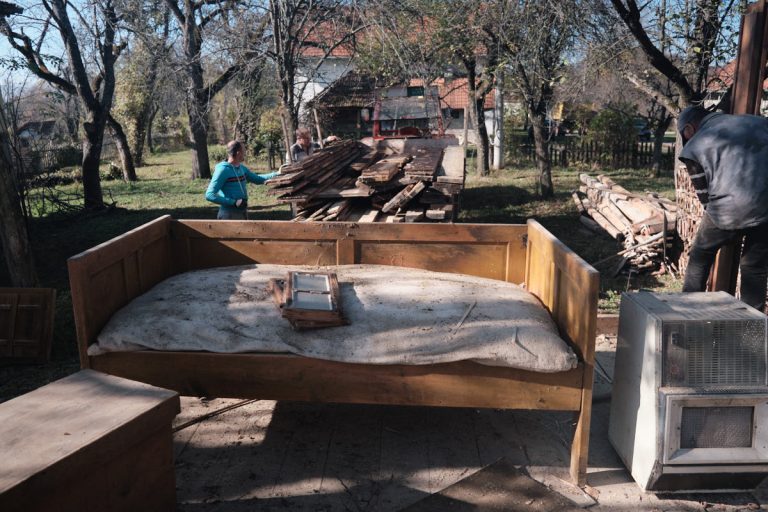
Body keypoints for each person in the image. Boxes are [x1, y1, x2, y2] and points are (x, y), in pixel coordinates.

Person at [677, 105, 768, 311]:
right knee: (754, 266)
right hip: (766, 209)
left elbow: (702, 191)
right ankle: (753, 327)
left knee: (700, 256)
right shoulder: (760, 123)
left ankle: (688, 310)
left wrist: (719, 215)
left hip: (727, 208)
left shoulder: (697, 142)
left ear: (689, 129)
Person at [205, 140, 279, 220]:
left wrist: (277, 173)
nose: (245, 153)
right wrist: (234, 202)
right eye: (244, 150)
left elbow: (257, 179)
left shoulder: (241, 168)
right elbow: (209, 195)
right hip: (229, 215)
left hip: (242, 212)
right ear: (238, 153)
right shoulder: (223, 170)